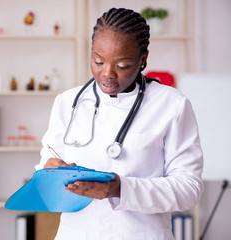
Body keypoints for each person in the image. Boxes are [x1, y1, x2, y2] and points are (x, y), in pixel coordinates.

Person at [35, 7, 203, 240]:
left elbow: (189, 189)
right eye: (98, 61)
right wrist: (48, 172)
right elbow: (46, 168)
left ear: (143, 58)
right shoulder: (67, 103)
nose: (108, 73)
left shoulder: (172, 105)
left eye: (122, 65)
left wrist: (122, 189)